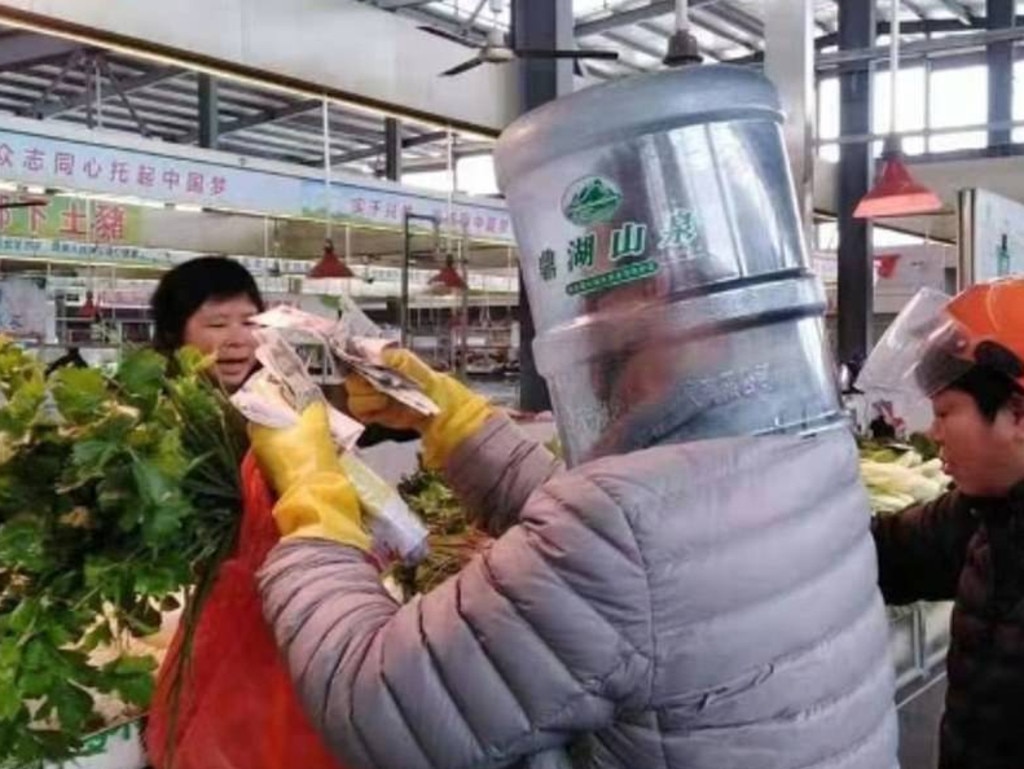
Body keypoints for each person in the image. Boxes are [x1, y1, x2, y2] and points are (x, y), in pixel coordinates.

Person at [248, 345, 898, 769]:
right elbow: (635, 545)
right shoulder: (805, 455)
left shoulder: (630, 530)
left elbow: (374, 706)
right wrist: (455, 422)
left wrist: (316, 508)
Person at [144, 256, 345, 769]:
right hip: (218, 620)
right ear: (174, 335)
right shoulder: (155, 420)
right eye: (215, 324)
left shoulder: (285, 406)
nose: (237, 338)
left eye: (249, 322)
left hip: (295, 610)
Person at [869, 278, 1024, 769]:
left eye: (944, 412)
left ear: (1017, 416)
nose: (931, 434)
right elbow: (885, 554)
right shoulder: (982, 514)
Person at [150, 255, 264, 391]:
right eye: (218, 324)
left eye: (248, 323)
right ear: (173, 332)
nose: (238, 340)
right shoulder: (137, 403)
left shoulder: (283, 400)